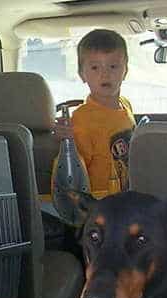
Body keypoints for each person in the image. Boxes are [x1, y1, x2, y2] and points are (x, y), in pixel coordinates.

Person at [53, 29, 135, 198]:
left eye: (113, 66)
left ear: (125, 70)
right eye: (95, 67)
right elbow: (74, 174)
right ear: (82, 74)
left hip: (126, 197)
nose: (105, 74)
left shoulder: (125, 105)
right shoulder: (82, 119)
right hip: (99, 204)